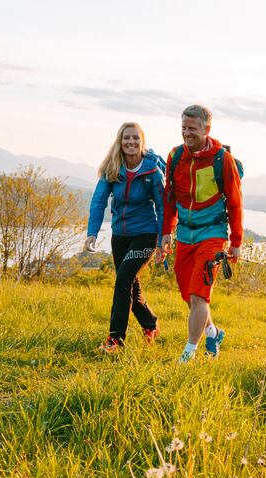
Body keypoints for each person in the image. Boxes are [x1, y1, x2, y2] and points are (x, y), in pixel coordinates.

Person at [160, 104, 243, 363]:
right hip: (185, 234)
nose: (187, 133)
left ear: (206, 129)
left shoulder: (222, 159)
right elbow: (170, 198)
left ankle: (188, 354)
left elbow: (235, 202)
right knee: (188, 295)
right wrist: (166, 232)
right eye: (184, 128)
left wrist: (236, 242)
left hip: (213, 234)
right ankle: (213, 333)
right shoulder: (175, 156)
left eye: (192, 129)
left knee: (199, 295)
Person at [86, 122, 166, 352]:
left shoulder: (152, 171)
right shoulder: (113, 167)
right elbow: (99, 201)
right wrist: (92, 232)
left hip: (146, 235)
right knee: (131, 285)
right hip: (119, 235)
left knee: (123, 281)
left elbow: (162, 207)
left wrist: (162, 240)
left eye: (135, 139)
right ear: (120, 142)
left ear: (142, 142)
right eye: (126, 138)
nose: (131, 142)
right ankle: (150, 323)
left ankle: (116, 340)